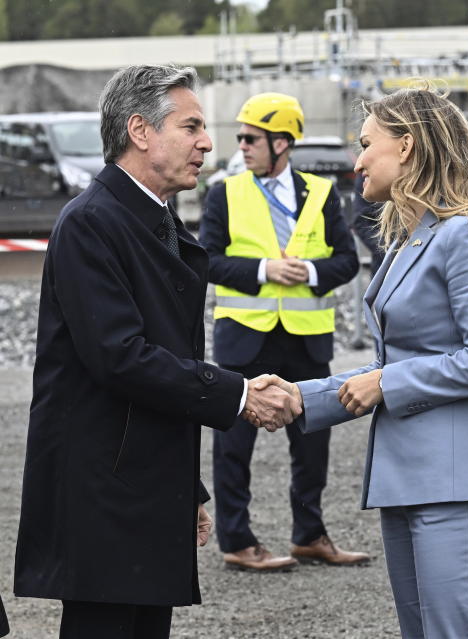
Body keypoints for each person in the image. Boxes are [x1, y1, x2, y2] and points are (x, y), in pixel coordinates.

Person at [14, 65, 300, 639]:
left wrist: (184, 486)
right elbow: (120, 357)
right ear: (140, 132)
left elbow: (166, 356)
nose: (207, 142)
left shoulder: (153, 219)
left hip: (143, 485)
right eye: (191, 126)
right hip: (104, 493)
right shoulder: (92, 223)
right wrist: (240, 393)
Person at [255, 85, 468, 639]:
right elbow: (397, 363)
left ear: (408, 146)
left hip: (459, 483)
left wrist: (387, 381)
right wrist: (302, 396)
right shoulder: (411, 238)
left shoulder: (464, 233)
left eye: (367, 144)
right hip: (411, 480)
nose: (357, 159)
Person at [200, 93, 368, 572]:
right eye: (241, 138)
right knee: (233, 446)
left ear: (282, 142)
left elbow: (345, 261)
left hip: (306, 337)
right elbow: (207, 260)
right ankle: (237, 540)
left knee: (313, 446)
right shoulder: (224, 193)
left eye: (251, 138)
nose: (242, 146)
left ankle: (310, 536)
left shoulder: (320, 193)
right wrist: (265, 268)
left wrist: (310, 275)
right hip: (246, 336)